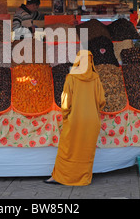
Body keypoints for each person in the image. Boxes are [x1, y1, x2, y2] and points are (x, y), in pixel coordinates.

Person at [45, 50, 106, 186]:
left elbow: (66, 101)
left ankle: (60, 177)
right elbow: (101, 100)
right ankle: (83, 179)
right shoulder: (95, 78)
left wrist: (66, 115)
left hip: (75, 120)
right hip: (92, 121)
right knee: (86, 151)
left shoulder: (72, 77)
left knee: (67, 150)